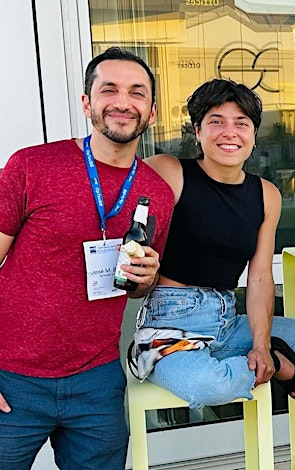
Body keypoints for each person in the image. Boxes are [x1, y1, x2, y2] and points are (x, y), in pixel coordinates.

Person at [142, 79, 295, 470]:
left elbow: (259, 278)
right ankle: (279, 363)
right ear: (197, 130)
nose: (230, 132)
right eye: (216, 121)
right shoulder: (170, 171)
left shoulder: (265, 194)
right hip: (169, 327)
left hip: (227, 321)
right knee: (208, 384)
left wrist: (260, 343)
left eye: (241, 123)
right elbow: (121, 197)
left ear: (254, 134)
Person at [0, 47, 174, 469]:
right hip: (11, 376)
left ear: (152, 111)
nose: (123, 102)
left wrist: (147, 279)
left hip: (97, 380)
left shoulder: (158, 194)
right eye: (109, 89)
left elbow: (136, 290)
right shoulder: (32, 166)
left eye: (137, 92)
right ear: (86, 103)